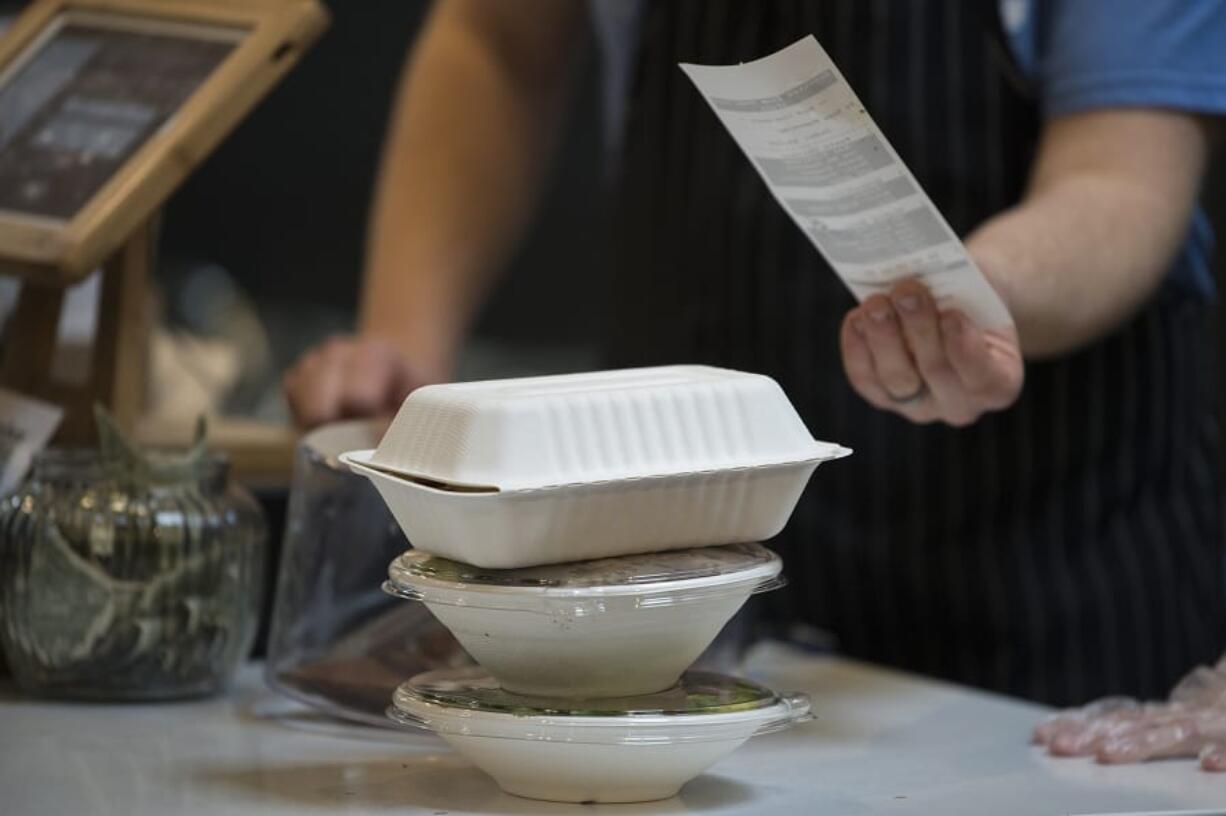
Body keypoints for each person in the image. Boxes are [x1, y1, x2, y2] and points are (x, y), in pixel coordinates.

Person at [285, 0, 1226, 732]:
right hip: (666, 597)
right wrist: (407, 351)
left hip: (1042, 585)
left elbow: (1123, 177)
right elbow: (499, 41)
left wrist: (976, 304)